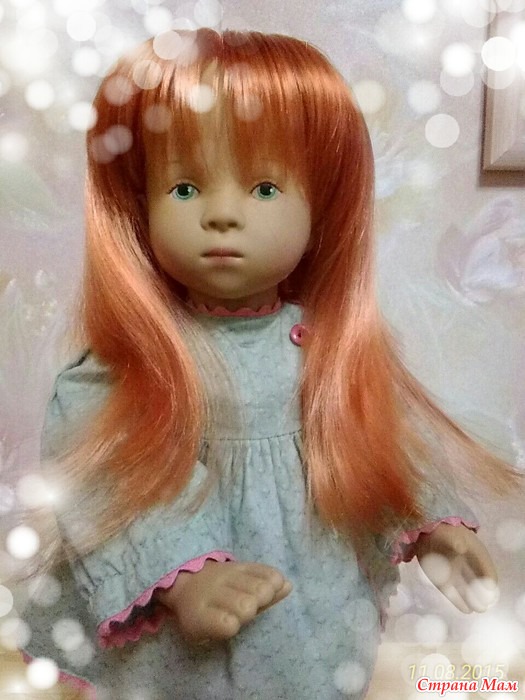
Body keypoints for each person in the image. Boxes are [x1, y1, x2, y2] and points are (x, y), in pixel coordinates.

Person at [20, 29, 518, 699]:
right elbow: (109, 472)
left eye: (262, 187)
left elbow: (387, 436)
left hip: (309, 601)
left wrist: (436, 524)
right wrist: (185, 575)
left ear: (320, 204)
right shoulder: (136, 362)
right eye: (185, 188)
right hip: (177, 645)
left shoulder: (327, 353)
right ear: (139, 205)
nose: (222, 215)